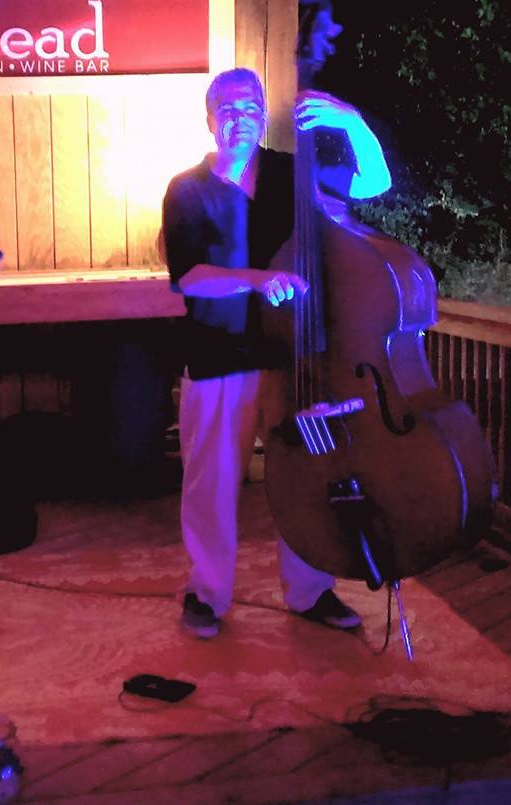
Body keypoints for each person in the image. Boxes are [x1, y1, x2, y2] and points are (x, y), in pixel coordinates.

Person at [162, 67, 392, 639]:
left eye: (251, 107)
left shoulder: (293, 174)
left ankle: (310, 591)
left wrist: (351, 121)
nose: (240, 118)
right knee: (211, 487)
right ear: (209, 120)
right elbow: (188, 277)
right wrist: (256, 280)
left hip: (295, 361)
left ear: (264, 116)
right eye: (228, 109)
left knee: (306, 480)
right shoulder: (186, 189)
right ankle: (206, 593)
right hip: (217, 358)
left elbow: (374, 182)